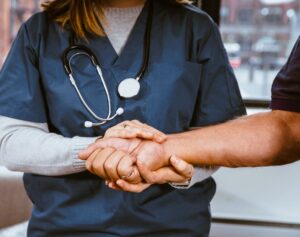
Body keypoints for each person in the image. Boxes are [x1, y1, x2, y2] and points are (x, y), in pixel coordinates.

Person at [0, 0, 245, 236]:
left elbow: (221, 141)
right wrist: (92, 151)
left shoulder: (195, 28)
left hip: (171, 227)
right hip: (67, 227)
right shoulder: (40, 31)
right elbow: (10, 141)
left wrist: (166, 165)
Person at [79, 36, 300, 193]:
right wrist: (160, 149)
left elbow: (286, 130)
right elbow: (288, 128)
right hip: (64, 214)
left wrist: (167, 156)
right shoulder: (44, 31)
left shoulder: (196, 28)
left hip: (169, 217)